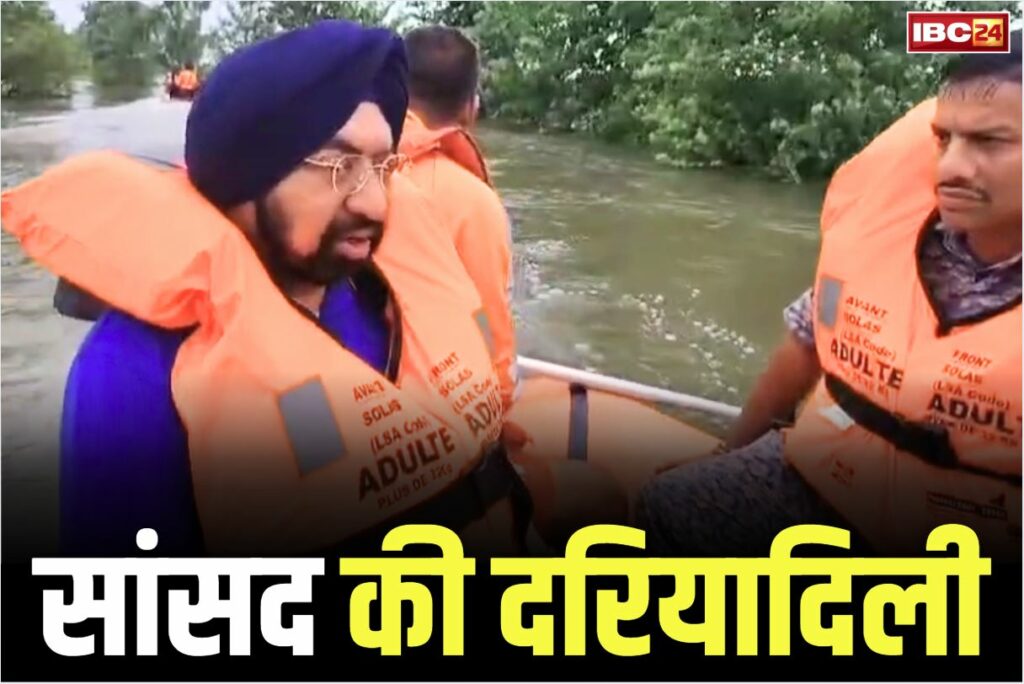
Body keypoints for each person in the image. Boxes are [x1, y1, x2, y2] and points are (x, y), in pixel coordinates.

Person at [2, 20, 526, 557]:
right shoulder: (132, 371)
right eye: (339, 166)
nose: (374, 203)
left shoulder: (385, 303)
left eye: (381, 166)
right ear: (247, 176)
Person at [637, 31, 1022, 560]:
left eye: (988, 142)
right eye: (943, 140)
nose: (950, 167)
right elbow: (808, 338)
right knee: (666, 507)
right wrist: (726, 450)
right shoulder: (890, 232)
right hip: (828, 478)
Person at [399, 26, 520, 412]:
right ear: (471, 107)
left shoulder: (338, 165)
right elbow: (489, 336)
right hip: (433, 415)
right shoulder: (473, 204)